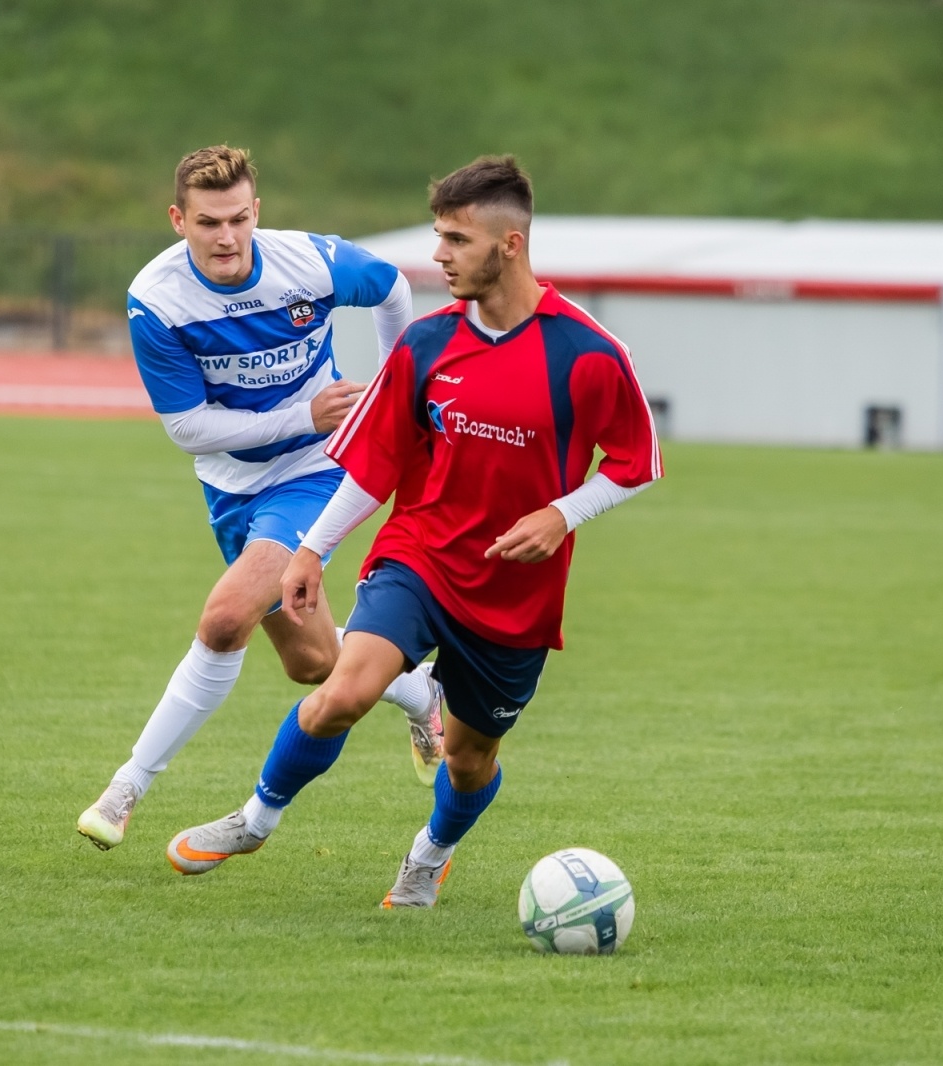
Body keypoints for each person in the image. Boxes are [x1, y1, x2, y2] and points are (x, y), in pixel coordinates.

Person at [163, 155, 663, 905]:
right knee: (342, 693)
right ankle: (256, 818)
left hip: (514, 594)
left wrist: (562, 514)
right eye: (439, 235)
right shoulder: (426, 346)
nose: (438, 255)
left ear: (510, 246)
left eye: (456, 239)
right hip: (420, 557)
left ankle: (432, 852)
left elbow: (637, 461)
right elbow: (374, 464)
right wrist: (311, 549)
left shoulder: (588, 354)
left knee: (468, 760)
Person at [78, 146, 446, 852]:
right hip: (232, 487)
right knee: (311, 663)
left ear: (258, 213)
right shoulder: (156, 299)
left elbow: (395, 287)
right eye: (209, 222)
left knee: (223, 621)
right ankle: (419, 690)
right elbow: (189, 428)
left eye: (239, 219)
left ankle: (127, 788)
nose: (227, 237)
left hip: (316, 472)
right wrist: (305, 414)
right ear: (178, 220)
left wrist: (396, 397)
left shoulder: (307, 263)